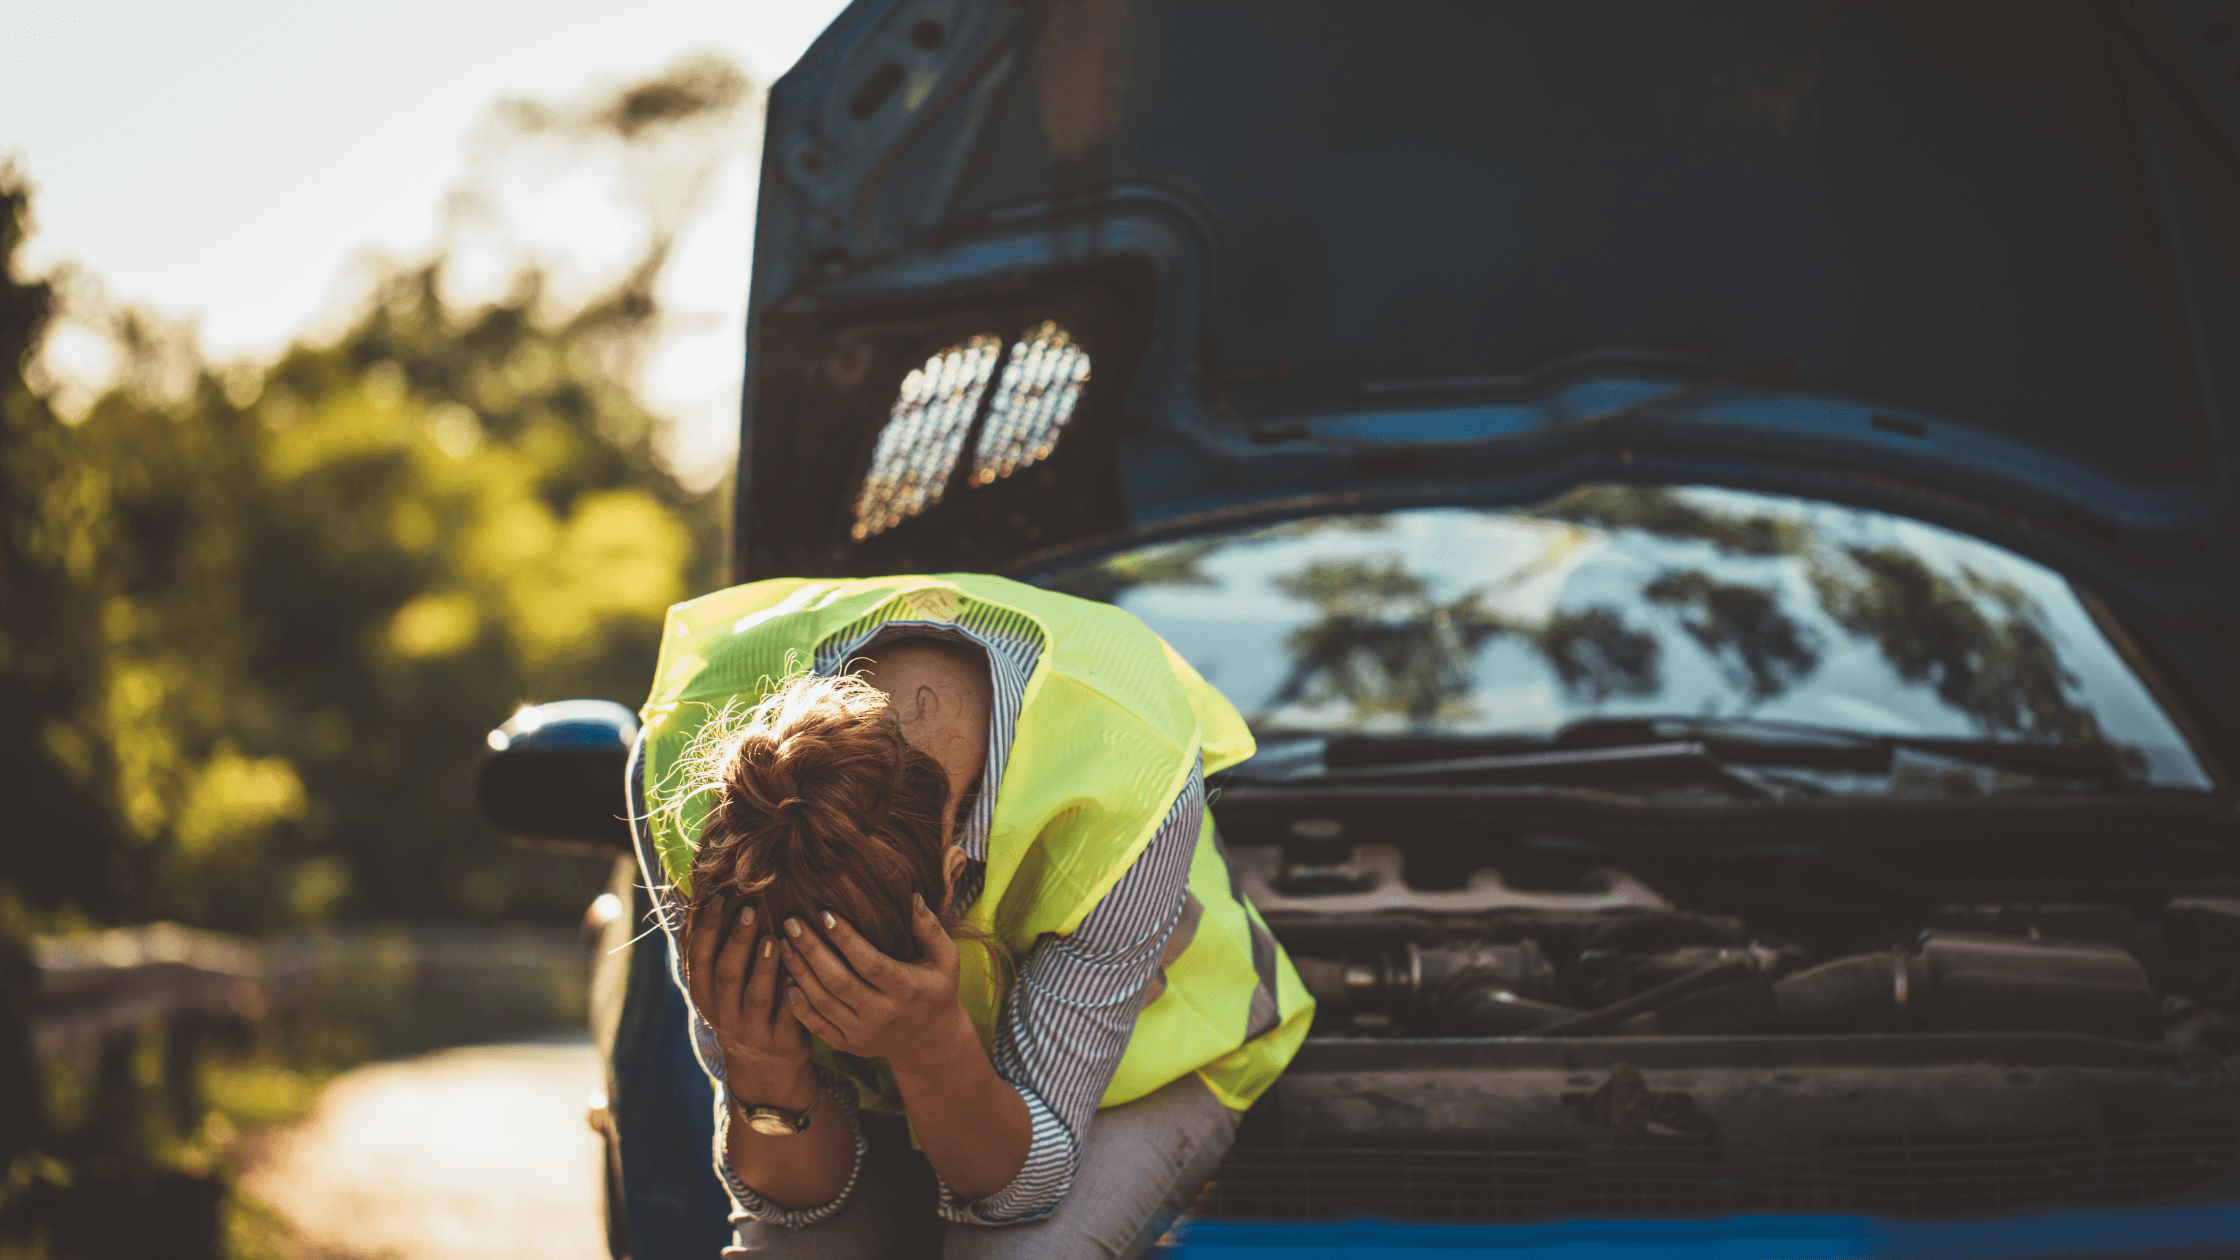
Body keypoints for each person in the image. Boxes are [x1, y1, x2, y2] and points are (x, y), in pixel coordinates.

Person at [631, 574, 1314, 1258]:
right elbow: (797, 1206)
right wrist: (763, 1063)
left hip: (1149, 1058)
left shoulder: (1129, 767)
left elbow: (1015, 1192)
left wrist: (928, 1041)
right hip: (881, 1096)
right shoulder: (686, 789)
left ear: (954, 879)